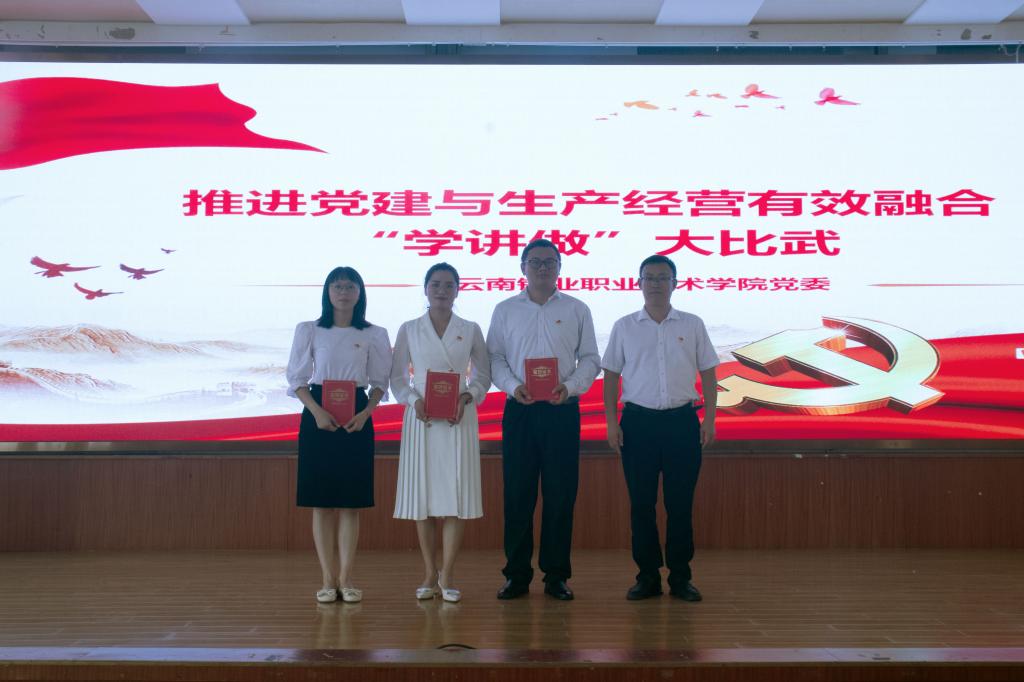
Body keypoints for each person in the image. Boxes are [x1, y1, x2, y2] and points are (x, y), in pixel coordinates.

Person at [486, 239, 600, 601]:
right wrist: (512, 386)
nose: (542, 268)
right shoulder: (505, 310)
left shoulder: (577, 309)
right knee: (517, 494)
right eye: (535, 262)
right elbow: (494, 359)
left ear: (560, 267)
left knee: (560, 495)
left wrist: (571, 387)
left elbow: (591, 359)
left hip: (561, 409)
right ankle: (517, 575)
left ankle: (556, 576)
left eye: (550, 262)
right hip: (519, 409)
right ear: (523, 267)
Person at [601, 255, 719, 602]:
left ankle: (681, 577)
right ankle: (647, 576)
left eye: (662, 278)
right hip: (638, 424)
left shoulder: (692, 324)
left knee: (680, 504)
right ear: (639, 283)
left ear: (675, 283)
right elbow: (611, 376)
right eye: (649, 278)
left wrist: (710, 419)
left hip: (682, 422)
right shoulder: (624, 326)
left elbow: (709, 373)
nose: (655, 284)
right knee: (641, 505)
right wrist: (611, 423)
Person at [285, 266, 391, 604]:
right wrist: (316, 411)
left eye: (350, 286)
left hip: (357, 414)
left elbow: (380, 382)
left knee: (349, 504)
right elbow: (297, 379)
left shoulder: (374, 333)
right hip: (318, 413)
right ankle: (327, 579)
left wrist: (366, 412)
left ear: (360, 292)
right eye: (337, 286)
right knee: (321, 503)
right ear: (327, 292)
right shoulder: (310, 330)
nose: (343, 292)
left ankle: (346, 578)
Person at [391, 262, 491, 603]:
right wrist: (412, 400)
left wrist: (468, 395)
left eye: (449, 285)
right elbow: (397, 379)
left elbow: (483, 374)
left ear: (458, 290)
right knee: (424, 498)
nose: (442, 291)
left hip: (458, 416)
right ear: (425, 288)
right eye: (435, 284)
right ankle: (428, 573)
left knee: (455, 498)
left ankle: (448, 573)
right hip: (422, 417)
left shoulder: (470, 328)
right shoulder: (410, 329)